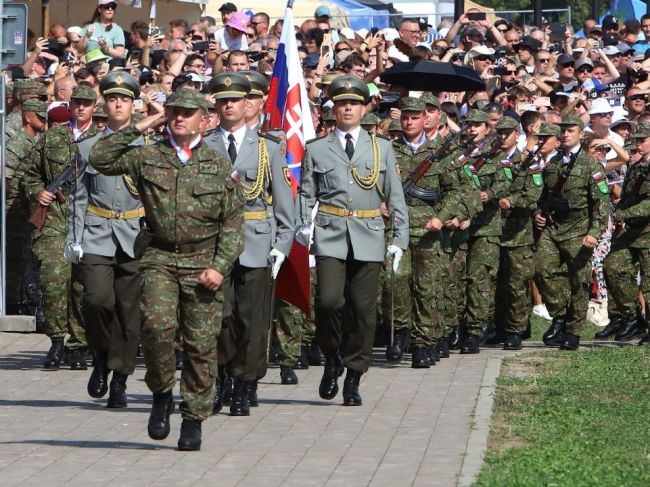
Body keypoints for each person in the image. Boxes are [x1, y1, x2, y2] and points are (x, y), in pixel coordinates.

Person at [89, 88, 244, 451]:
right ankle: (161, 393)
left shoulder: (218, 164)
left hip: (203, 261)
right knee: (157, 330)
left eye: (187, 113)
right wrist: (146, 122)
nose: (179, 117)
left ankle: (193, 418)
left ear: (204, 121)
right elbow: (100, 157)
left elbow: (234, 221)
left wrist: (220, 267)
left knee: (200, 344)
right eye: (173, 111)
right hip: (159, 257)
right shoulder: (147, 155)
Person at [297, 76, 409, 405]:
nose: (348, 108)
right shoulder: (317, 148)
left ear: (364, 109)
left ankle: (355, 374)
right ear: (334, 109)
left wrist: (400, 238)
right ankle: (332, 358)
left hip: (369, 233)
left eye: (354, 104)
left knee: (363, 308)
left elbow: (396, 197)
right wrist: (303, 225)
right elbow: (306, 193)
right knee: (329, 301)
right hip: (330, 234)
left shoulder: (381, 148)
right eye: (342, 103)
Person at [204, 73, 294, 417]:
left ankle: (244, 384)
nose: (229, 105)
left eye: (235, 100)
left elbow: (284, 200)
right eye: (223, 99)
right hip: (214, 244)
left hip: (257, 241)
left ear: (247, 104)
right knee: (219, 315)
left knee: (252, 319)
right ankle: (221, 376)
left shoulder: (268, 146)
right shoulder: (205, 143)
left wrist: (282, 244)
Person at [65, 72, 145, 408]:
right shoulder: (88, 146)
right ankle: (100, 355)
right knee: (97, 300)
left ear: (133, 106)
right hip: (97, 233)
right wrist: (74, 236)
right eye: (112, 98)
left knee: (129, 312)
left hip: (135, 236)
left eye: (124, 99)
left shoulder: (147, 147)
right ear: (104, 104)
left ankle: (120, 380)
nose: (117, 104)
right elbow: (79, 195)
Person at [385, 97, 475, 367]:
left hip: (427, 231)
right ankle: (400, 330)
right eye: (405, 117)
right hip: (396, 228)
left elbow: (459, 191)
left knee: (427, 289)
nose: (409, 122)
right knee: (395, 283)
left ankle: (423, 343)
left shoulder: (442, 153)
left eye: (415, 117)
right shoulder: (388, 150)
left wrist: (442, 216)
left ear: (426, 119)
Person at [25, 86, 97, 370]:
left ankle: (78, 345)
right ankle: (56, 340)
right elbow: (30, 174)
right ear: (70, 104)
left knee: (82, 285)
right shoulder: (52, 137)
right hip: (54, 218)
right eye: (77, 103)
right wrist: (37, 193)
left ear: (94, 107)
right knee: (54, 282)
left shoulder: (101, 139)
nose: (81, 108)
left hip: (89, 220)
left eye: (86, 104)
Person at [534, 115, 610, 350]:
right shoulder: (554, 163)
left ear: (581, 134)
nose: (566, 134)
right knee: (541, 269)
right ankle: (560, 314)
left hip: (579, 230)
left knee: (579, 281)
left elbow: (601, 201)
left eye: (571, 130)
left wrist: (594, 232)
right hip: (553, 227)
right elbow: (545, 195)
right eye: (563, 131)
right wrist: (539, 212)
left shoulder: (589, 164)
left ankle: (573, 331)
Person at [460, 109, 510, 354]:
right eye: (469, 125)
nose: (472, 129)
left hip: (485, 227)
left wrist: (488, 194)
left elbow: (505, 182)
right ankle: (456, 327)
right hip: (459, 225)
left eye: (477, 125)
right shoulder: (458, 154)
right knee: (456, 278)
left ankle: (475, 329)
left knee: (479, 278)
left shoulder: (496, 156)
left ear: (487, 128)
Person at [494, 117, 545, 350]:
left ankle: (516, 329)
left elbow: (534, 194)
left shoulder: (528, 161)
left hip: (517, 233)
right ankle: (500, 327)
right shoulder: (490, 158)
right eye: (499, 132)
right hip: (492, 231)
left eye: (507, 132)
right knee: (497, 284)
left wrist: (511, 200)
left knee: (517, 284)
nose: (503, 137)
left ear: (517, 133)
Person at [601, 124, 650, 345]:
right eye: (636, 140)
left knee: (649, 283)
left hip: (647, 231)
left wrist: (625, 212)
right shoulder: (637, 166)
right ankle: (630, 318)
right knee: (613, 266)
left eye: (642, 140)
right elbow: (631, 194)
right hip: (632, 230)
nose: (638, 144)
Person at [5, 100, 48, 315]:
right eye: (41, 117)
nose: (45, 121)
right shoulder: (17, 143)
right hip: (13, 207)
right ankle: (11, 302)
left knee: (27, 255)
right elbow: (6, 177)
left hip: (29, 206)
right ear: (28, 118)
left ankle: (24, 299)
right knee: (14, 255)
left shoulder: (40, 139)